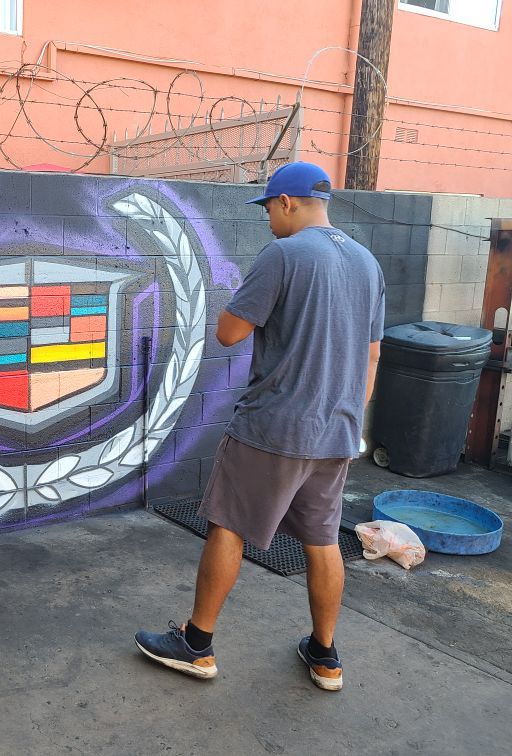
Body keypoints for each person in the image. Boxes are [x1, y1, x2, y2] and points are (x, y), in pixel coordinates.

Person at [134, 162, 385, 692]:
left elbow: (229, 333)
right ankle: (325, 656)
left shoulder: (284, 255)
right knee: (322, 540)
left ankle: (195, 645)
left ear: (288, 202)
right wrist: (348, 414)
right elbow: (371, 353)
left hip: (274, 426)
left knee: (228, 524)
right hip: (337, 428)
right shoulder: (367, 262)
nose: (268, 219)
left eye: (269, 208)